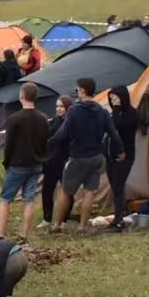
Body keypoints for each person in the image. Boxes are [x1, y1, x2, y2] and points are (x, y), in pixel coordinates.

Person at [50, 77, 122, 234]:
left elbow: (63, 132)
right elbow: (113, 133)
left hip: (78, 157)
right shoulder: (102, 111)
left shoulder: (74, 111)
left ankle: (57, 225)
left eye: (77, 90)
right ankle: (82, 226)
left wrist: (50, 142)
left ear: (82, 91)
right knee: (89, 192)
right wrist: (120, 150)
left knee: (65, 191)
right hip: (97, 157)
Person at [0, 82, 51, 243]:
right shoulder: (43, 118)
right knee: (29, 199)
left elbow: (9, 144)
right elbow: (45, 142)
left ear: (22, 96)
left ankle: (0, 235)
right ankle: (24, 235)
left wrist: (7, 162)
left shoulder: (14, 119)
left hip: (17, 164)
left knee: (5, 199)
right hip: (36, 164)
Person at [105, 85, 139, 233]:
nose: (113, 101)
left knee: (118, 187)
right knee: (115, 187)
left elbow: (117, 127)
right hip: (111, 155)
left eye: (115, 98)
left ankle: (119, 221)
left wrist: (117, 110)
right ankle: (120, 215)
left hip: (125, 154)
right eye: (111, 98)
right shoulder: (113, 113)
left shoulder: (131, 113)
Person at [39, 95, 73, 226]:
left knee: (67, 192)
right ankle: (46, 219)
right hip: (51, 161)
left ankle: (64, 219)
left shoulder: (72, 122)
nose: (59, 109)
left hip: (66, 161)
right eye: (57, 106)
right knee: (47, 191)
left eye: (62, 106)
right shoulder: (54, 121)